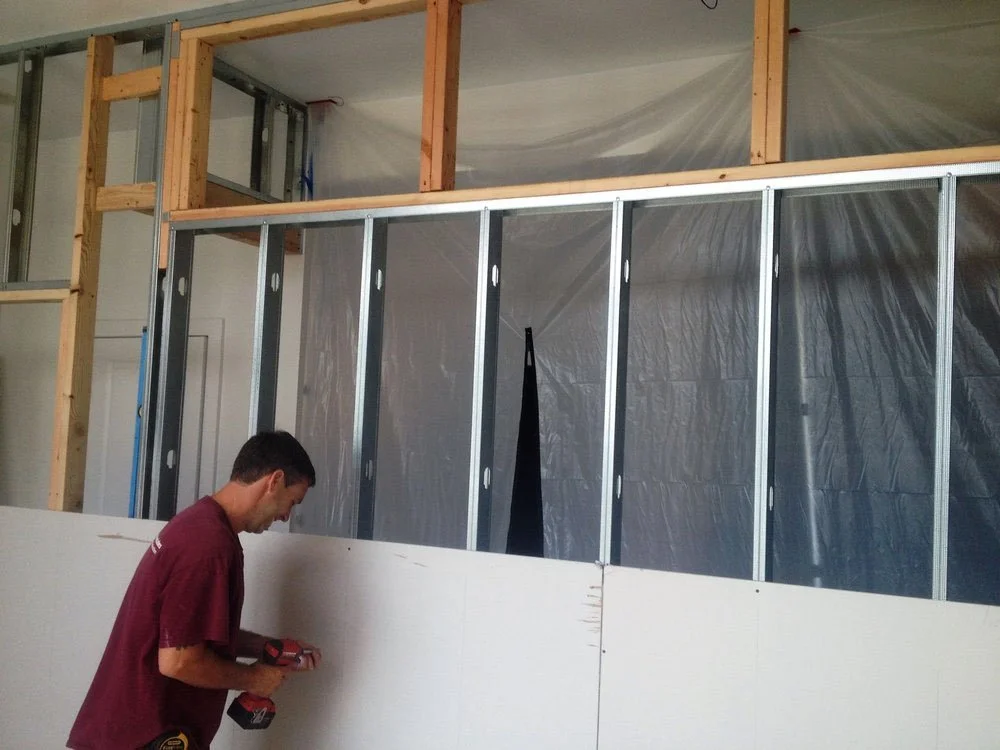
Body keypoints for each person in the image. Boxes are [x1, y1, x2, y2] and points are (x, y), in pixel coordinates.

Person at [67, 430, 323, 750]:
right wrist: (254, 679)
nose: (286, 516)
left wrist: (267, 647)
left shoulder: (201, 527)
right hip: (139, 738)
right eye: (292, 501)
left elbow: (189, 633)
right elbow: (178, 661)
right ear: (275, 480)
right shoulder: (207, 545)